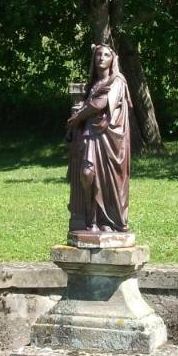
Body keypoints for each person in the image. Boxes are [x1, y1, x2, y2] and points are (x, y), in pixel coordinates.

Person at [66, 43, 132, 235]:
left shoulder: (117, 80)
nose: (101, 58)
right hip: (91, 135)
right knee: (87, 175)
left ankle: (107, 221)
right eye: (98, 55)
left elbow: (100, 104)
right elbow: (90, 103)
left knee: (107, 180)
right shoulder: (93, 85)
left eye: (105, 55)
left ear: (113, 60)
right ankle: (90, 220)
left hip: (111, 138)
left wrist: (78, 117)